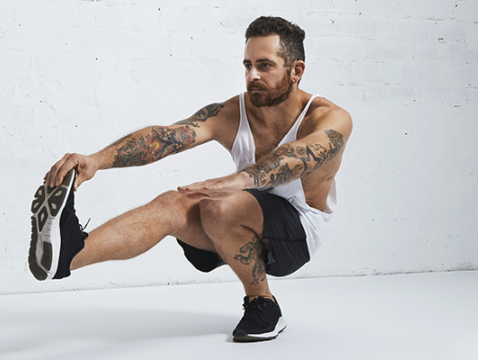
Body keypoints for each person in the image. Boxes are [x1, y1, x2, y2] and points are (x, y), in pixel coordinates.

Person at [28, 16, 352, 342]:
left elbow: (295, 158)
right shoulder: (233, 112)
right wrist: (96, 160)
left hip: (299, 232)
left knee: (218, 207)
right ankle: (68, 255)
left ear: (296, 71)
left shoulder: (330, 119)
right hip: (238, 214)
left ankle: (263, 305)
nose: (252, 75)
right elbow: (167, 137)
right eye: (247, 65)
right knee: (172, 203)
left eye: (265, 66)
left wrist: (238, 181)